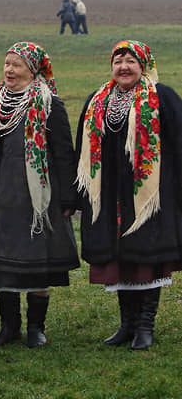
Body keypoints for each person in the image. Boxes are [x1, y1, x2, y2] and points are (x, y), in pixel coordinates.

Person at [0, 42, 79, 348]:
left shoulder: (49, 104)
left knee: (36, 265)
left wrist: (68, 197)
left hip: (34, 199)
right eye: (7, 64)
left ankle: (36, 328)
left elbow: (65, 153)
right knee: (1, 266)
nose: (9, 70)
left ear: (32, 69)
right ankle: (8, 328)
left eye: (17, 65)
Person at [76, 40, 182, 350]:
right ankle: (127, 325)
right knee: (119, 258)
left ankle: (145, 326)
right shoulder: (98, 101)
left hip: (152, 195)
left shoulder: (163, 98)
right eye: (118, 61)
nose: (124, 67)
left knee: (147, 257)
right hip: (110, 194)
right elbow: (82, 149)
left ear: (143, 65)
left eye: (131, 61)